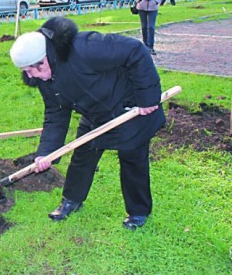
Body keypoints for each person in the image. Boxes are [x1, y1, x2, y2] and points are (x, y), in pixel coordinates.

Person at [9, 16, 165, 230]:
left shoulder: (85, 47)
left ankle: (138, 212)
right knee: (82, 155)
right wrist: (46, 152)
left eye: (36, 69)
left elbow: (135, 50)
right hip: (95, 113)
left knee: (132, 159)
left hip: (130, 107)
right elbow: (56, 112)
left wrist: (147, 98)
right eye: (27, 72)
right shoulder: (42, 78)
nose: (34, 76)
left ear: (46, 56)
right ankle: (71, 200)